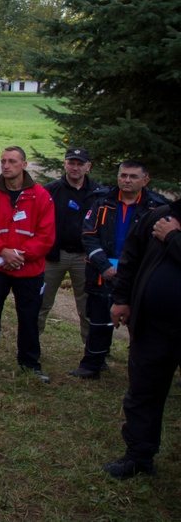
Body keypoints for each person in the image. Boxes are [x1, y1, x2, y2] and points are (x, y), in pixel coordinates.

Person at [101, 192, 181, 480]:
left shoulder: (169, 229)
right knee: (143, 392)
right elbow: (131, 256)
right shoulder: (161, 215)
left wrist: (173, 239)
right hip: (154, 326)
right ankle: (138, 456)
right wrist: (122, 297)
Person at [71, 161, 165, 379]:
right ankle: (92, 365)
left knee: (141, 326)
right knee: (98, 321)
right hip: (103, 273)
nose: (127, 180)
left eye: (133, 176)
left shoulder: (157, 207)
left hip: (139, 277)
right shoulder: (102, 201)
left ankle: (142, 371)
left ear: (145, 180)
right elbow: (88, 235)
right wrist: (103, 266)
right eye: (123, 175)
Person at [0, 146, 55, 381]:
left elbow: (46, 236)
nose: (6, 166)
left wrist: (19, 256)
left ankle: (30, 363)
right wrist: (2, 252)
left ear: (24, 165)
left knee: (29, 317)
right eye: (3, 161)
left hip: (28, 269)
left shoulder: (41, 196)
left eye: (12, 161)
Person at [40, 148, 103, 342]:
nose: (75, 168)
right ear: (65, 164)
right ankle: (29, 346)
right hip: (54, 255)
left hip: (85, 257)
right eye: (71, 163)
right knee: (40, 303)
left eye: (80, 164)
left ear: (88, 166)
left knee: (87, 307)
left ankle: (92, 352)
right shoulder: (51, 189)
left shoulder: (98, 193)